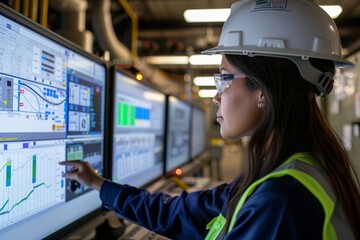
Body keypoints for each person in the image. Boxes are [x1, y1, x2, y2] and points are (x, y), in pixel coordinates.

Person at [60, 0, 360, 239]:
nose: (217, 96)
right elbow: (179, 213)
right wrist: (98, 184)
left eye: (225, 79)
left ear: (264, 90)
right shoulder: (279, 172)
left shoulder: (281, 200)